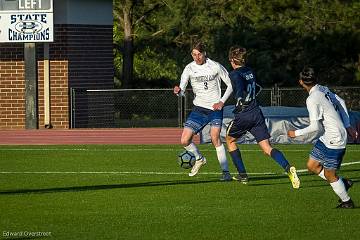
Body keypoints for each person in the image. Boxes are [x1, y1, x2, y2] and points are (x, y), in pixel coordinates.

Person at [225, 46, 300, 189]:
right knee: (267, 148)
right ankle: (288, 168)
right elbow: (257, 87)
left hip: (244, 113)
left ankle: (243, 175)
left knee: (230, 140)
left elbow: (239, 87)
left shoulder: (234, 74)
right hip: (256, 112)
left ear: (232, 60)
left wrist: (240, 99)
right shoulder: (250, 71)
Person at [288, 67, 358, 208]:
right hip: (328, 135)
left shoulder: (312, 99)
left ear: (301, 82)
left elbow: (315, 128)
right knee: (312, 166)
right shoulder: (322, 89)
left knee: (330, 174)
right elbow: (342, 101)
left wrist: (295, 133)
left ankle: (347, 201)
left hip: (335, 138)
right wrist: (348, 125)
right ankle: (343, 183)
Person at [173, 40, 233, 181]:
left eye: (199, 54)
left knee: (215, 138)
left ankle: (226, 172)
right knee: (184, 140)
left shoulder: (215, 66)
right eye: (194, 54)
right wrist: (178, 91)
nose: (197, 57)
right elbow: (182, 90)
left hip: (214, 108)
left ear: (204, 53)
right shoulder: (189, 68)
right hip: (199, 108)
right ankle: (199, 159)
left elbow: (231, 84)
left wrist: (221, 102)